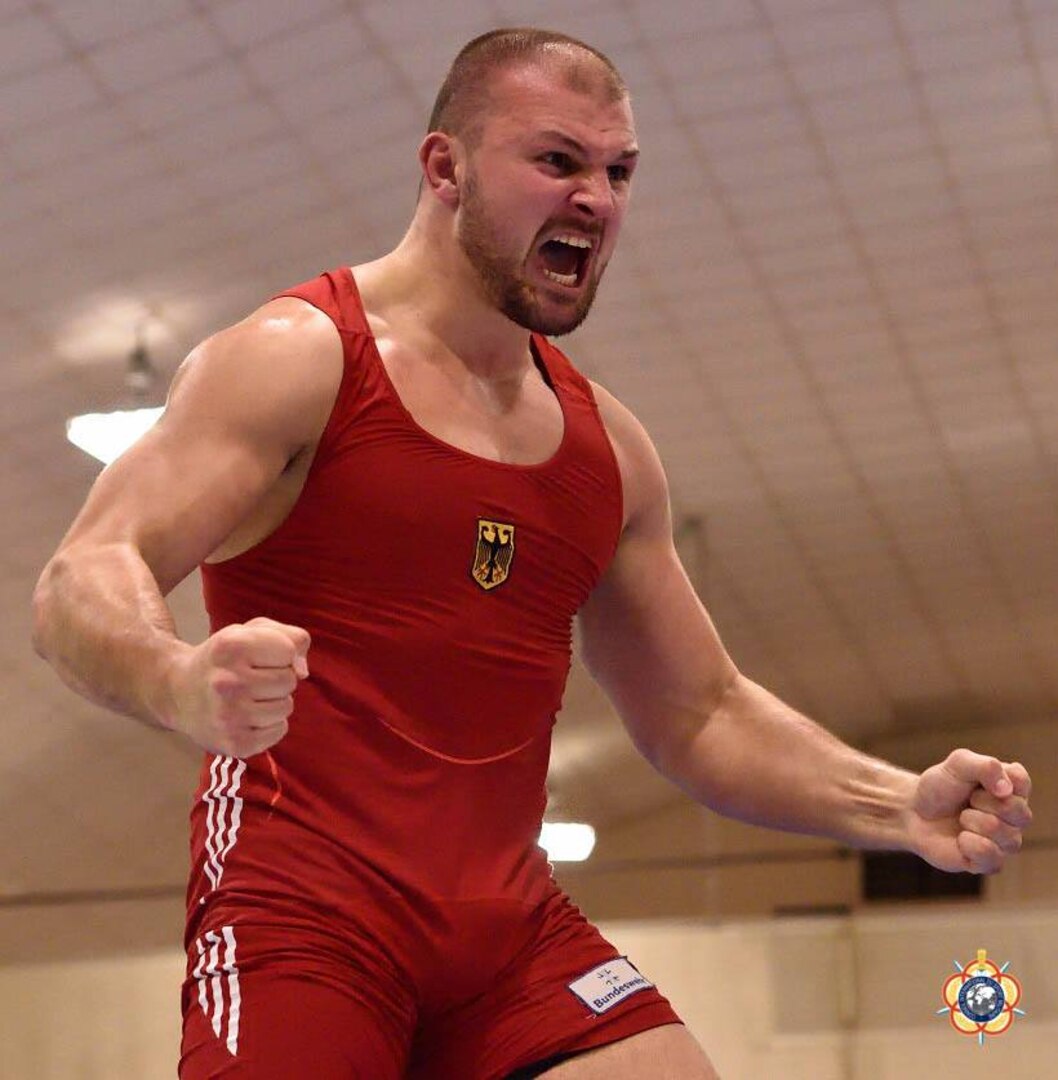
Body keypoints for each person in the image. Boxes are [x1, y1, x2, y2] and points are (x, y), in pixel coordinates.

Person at [32, 27, 1032, 1080]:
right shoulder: (298, 361)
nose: (596, 198)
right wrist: (178, 679)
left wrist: (894, 806)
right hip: (303, 924)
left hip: (504, 938)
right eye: (557, 161)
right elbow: (81, 576)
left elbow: (699, 712)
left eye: (618, 170)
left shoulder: (609, 452)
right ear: (444, 169)